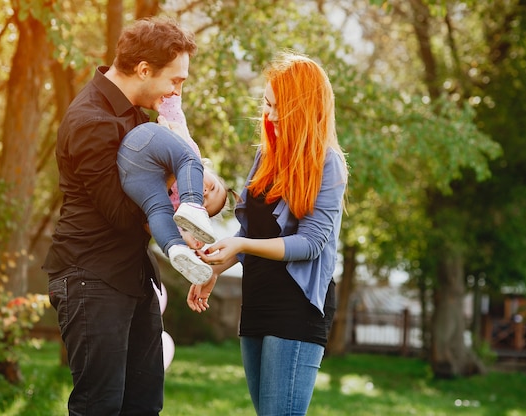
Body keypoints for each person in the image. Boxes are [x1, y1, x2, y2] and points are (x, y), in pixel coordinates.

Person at [43, 17, 197, 415]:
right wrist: (177, 177)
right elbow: (122, 213)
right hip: (89, 278)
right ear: (144, 70)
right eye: (175, 81)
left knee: (144, 406)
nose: (177, 91)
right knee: (100, 407)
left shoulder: (134, 114)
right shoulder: (92, 120)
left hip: (131, 275)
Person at [187, 52, 348, 415]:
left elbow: (311, 243)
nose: (269, 114)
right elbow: (251, 231)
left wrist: (242, 243)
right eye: (266, 103)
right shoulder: (266, 157)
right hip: (258, 297)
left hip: (298, 304)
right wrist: (215, 267)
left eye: (279, 107)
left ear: (302, 108)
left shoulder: (328, 163)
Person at [117, 119, 228, 285]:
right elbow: (174, 112)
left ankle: (174, 247)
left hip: (131, 175)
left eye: (204, 201)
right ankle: (193, 205)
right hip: (145, 143)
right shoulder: (194, 155)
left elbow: (151, 224)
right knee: (189, 162)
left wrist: (185, 236)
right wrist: (171, 98)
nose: (205, 192)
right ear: (210, 169)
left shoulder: (174, 206)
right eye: (213, 188)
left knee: (158, 210)